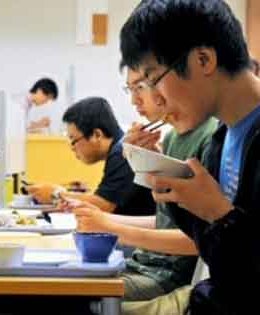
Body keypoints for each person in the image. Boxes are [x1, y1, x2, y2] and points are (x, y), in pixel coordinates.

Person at [120, 0, 260, 313]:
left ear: (203, 59)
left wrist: (221, 214)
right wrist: (169, 183)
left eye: (154, 79)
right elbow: (220, 257)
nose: (154, 98)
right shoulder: (219, 141)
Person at [71, 68, 217, 308]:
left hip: (164, 277)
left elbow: (198, 240)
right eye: (131, 89)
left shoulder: (210, 136)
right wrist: (146, 160)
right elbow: (166, 220)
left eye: (140, 87)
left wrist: (110, 225)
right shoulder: (172, 138)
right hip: (143, 264)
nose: (134, 100)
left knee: (55, 295)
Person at [27, 97, 155, 215]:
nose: (72, 147)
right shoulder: (117, 149)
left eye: (73, 140)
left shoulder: (122, 152)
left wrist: (55, 194)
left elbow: (103, 205)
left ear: (97, 135)